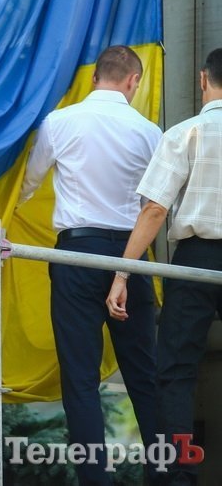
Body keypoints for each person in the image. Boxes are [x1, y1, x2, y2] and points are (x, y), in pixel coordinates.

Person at [18, 45, 161, 485]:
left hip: (76, 254)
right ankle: (166, 476)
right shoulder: (149, 131)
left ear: (95, 78)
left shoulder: (59, 123)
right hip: (130, 256)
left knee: (79, 378)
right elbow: (155, 200)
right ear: (133, 81)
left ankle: (93, 479)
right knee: (144, 374)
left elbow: (27, 184)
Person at [107, 47, 222, 485]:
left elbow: (154, 210)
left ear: (202, 79)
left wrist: (122, 273)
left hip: (195, 258)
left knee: (175, 370)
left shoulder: (184, 133)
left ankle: (180, 477)